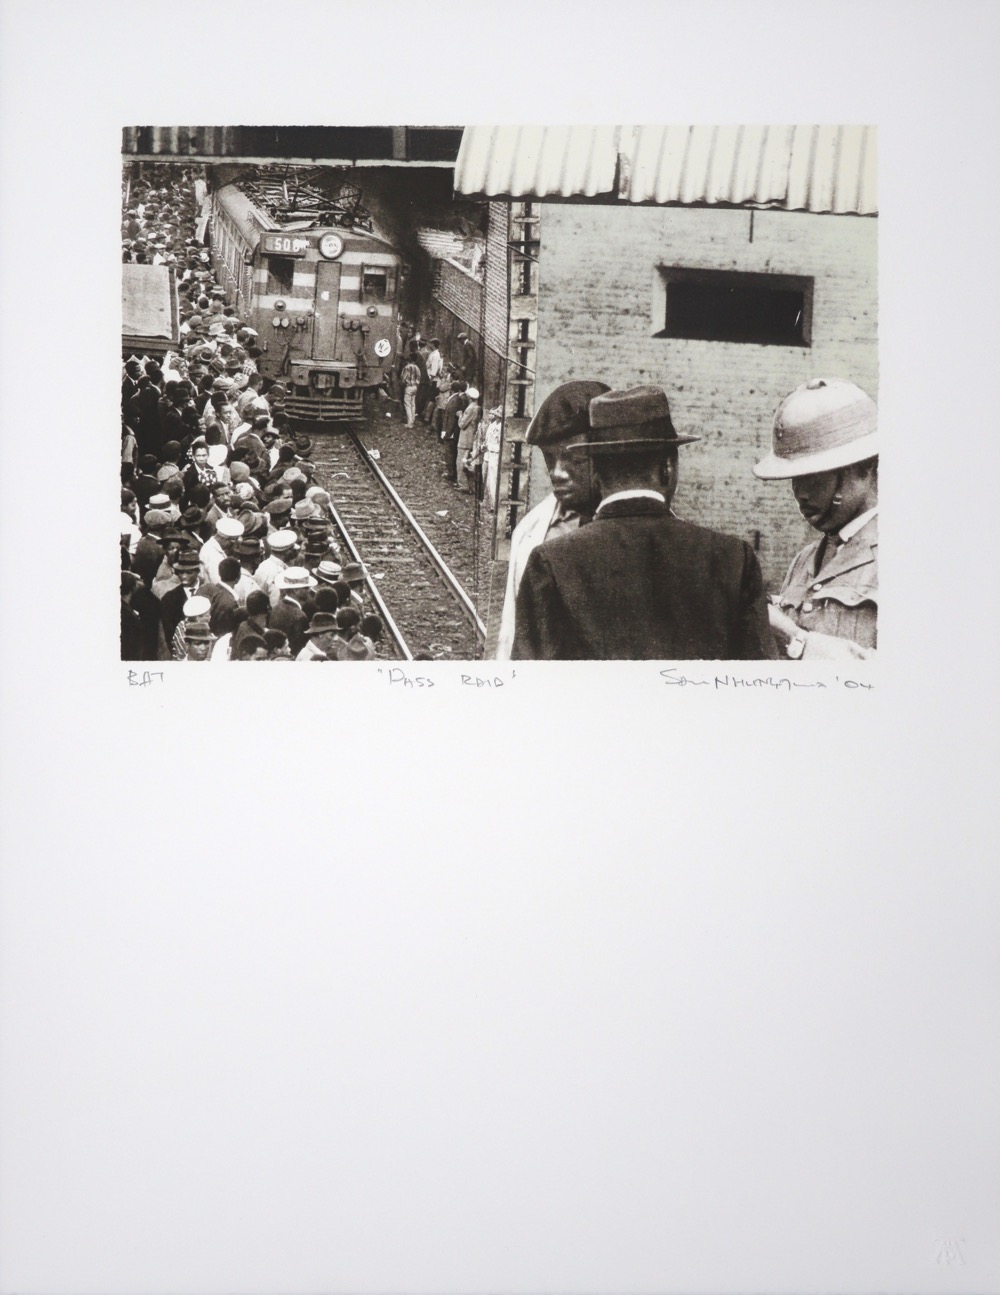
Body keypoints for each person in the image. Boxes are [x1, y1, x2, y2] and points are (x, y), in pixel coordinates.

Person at [512, 384, 776, 660]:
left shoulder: (550, 562)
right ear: (668, 468)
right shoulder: (733, 559)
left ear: (597, 474)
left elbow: (531, 688)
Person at [753, 377, 878, 660]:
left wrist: (794, 637)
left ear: (863, 467)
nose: (800, 492)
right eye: (795, 478)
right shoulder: (805, 560)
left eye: (813, 476)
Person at [495, 380, 610, 661]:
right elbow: (513, 633)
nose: (558, 473)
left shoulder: (636, 529)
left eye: (575, 459)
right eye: (549, 459)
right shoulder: (532, 532)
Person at [401, 354, 422, 428]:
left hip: (408, 386)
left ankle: (409, 423)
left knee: (407, 404)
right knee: (413, 404)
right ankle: (413, 420)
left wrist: (403, 383)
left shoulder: (407, 367)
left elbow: (403, 378)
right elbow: (419, 377)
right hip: (415, 386)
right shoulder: (417, 368)